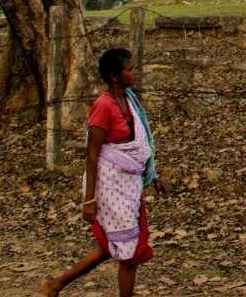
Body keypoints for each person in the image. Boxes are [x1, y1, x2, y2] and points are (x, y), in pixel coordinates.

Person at [41, 48, 166, 296]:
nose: (134, 73)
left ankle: (55, 285)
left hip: (129, 183)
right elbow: (92, 154)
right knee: (128, 253)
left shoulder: (130, 101)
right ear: (114, 76)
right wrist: (90, 199)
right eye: (129, 69)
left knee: (110, 248)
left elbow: (139, 145)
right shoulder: (103, 106)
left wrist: (152, 175)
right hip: (110, 185)